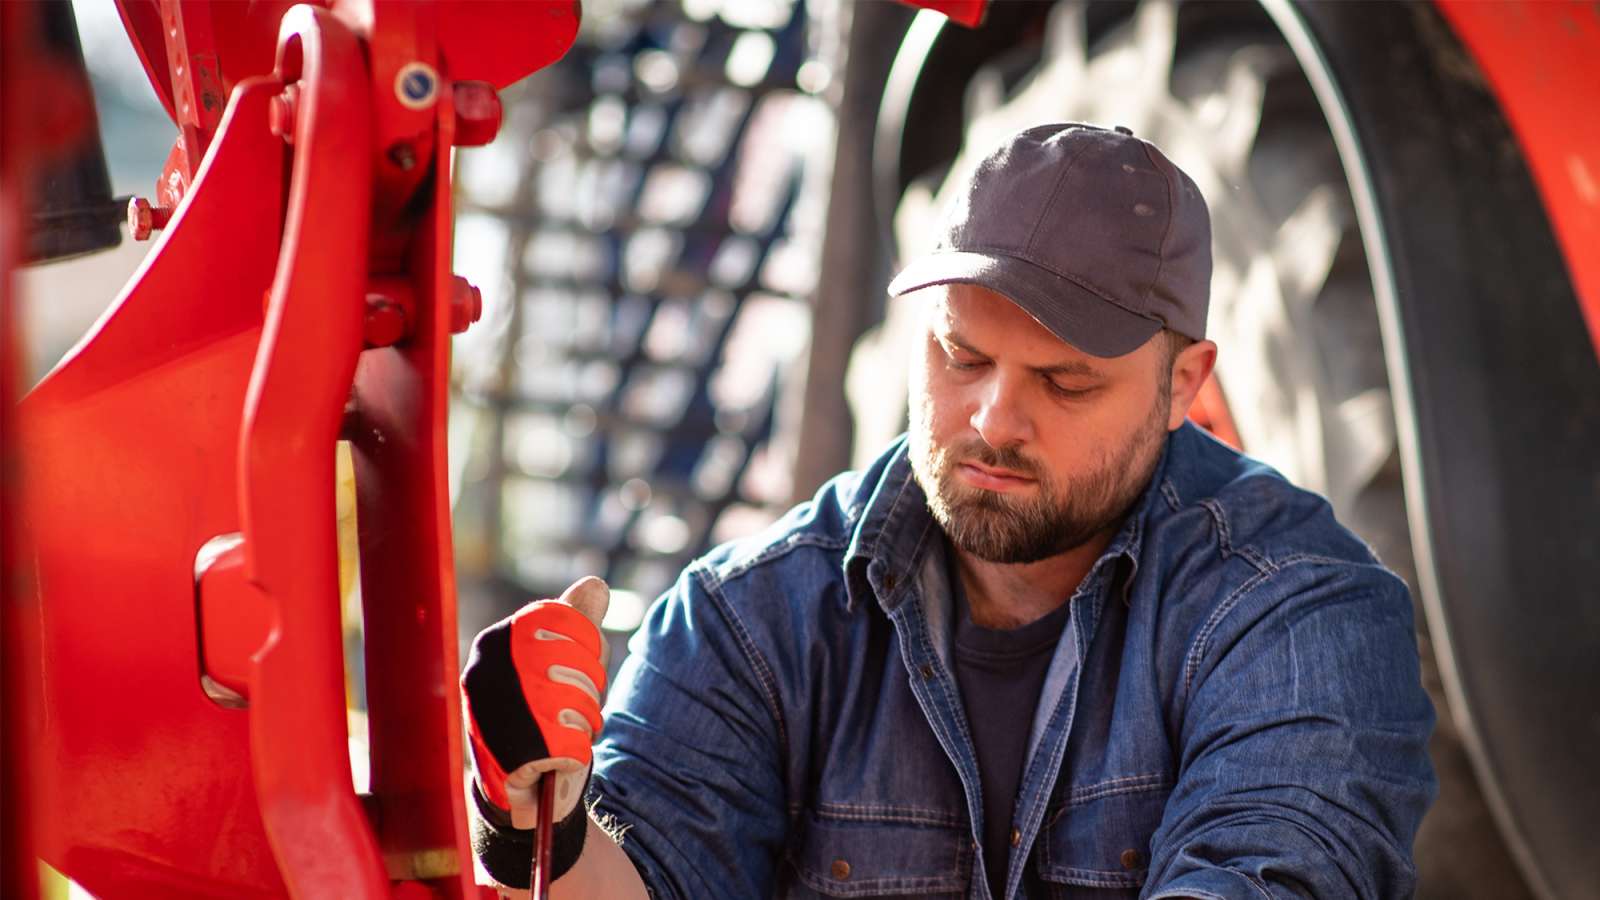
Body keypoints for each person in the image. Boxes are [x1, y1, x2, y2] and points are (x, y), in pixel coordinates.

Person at [460, 123, 1437, 900]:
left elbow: (1272, 874)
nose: (993, 418)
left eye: (1064, 382)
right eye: (960, 357)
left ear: (1184, 385)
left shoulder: (1298, 614)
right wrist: (536, 817)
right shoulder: (751, 619)